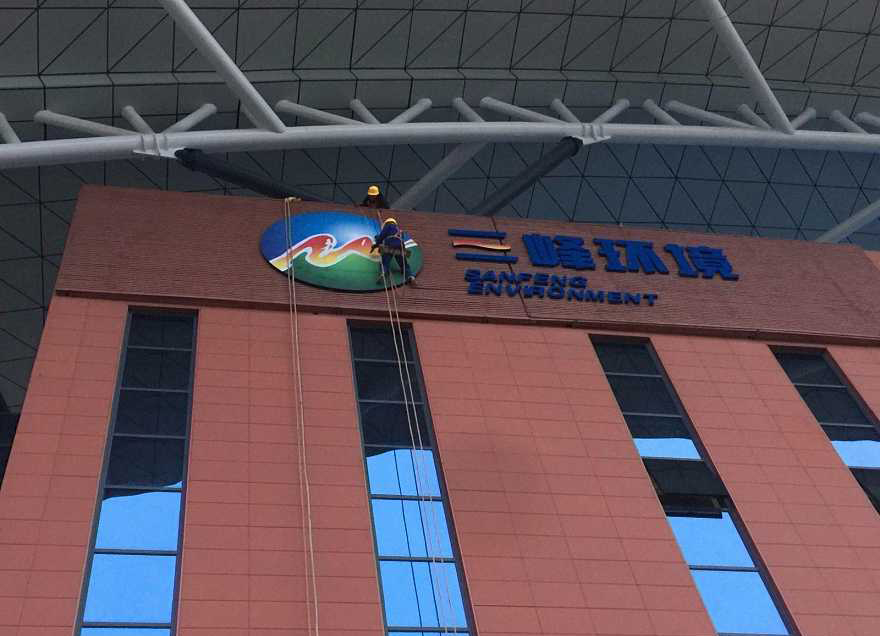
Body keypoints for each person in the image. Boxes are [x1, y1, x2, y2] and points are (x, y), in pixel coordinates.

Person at [371, 217, 415, 285]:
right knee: (404, 265)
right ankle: (410, 276)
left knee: (385, 263)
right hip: (399, 248)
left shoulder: (387, 227)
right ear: (395, 223)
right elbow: (401, 240)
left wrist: (375, 244)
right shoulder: (398, 230)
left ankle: (383, 273)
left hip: (389, 247)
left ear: (386, 223)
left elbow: (381, 237)